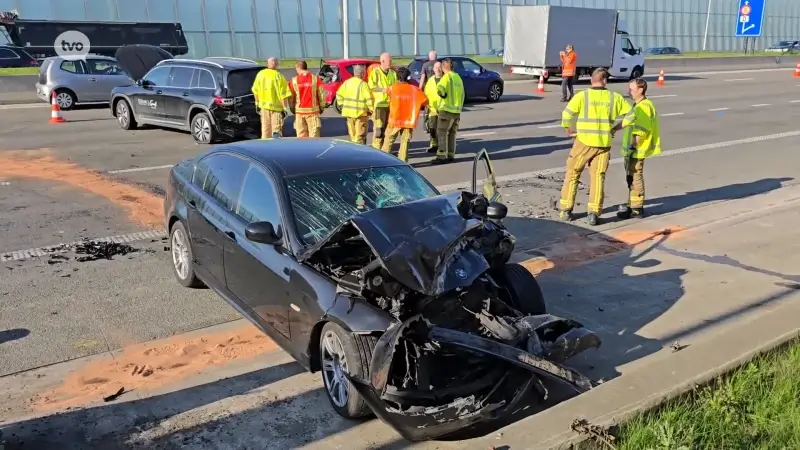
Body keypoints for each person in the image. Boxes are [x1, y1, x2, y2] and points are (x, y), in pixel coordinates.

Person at [558, 68, 636, 226]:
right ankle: (593, 213)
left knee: (573, 174)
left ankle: (566, 210)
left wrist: (568, 128)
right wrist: (615, 128)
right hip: (603, 144)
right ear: (605, 81)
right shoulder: (614, 98)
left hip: (583, 142)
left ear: (591, 80)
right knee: (598, 178)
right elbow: (632, 115)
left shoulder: (582, 96)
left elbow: (566, 115)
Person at [617, 78, 661, 220]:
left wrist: (633, 145)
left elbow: (642, 130)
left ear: (640, 90)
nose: (629, 92)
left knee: (636, 177)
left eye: (632, 89)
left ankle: (637, 208)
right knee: (631, 177)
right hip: (633, 150)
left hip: (637, 150)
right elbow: (627, 121)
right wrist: (613, 129)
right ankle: (633, 204)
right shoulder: (638, 105)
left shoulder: (644, 107)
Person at [382, 67, 428, 162]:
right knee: (404, 143)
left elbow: (386, 92)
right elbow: (425, 101)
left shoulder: (393, 87)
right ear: (408, 77)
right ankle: (402, 162)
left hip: (394, 120)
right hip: (408, 121)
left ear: (397, 77)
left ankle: (383, 162)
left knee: (388, 142)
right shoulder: (415, 90)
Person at [432, 58, 465, 164]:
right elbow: (462, 94)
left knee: (442, 132)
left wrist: (442, 94)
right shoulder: (458, 77)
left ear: (442, 68)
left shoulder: (446, 77)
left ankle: (441, 156)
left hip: (446, 110)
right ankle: (451, 155)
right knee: (452, 134)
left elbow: (440, 88)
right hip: (456, 111)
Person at [251, 57, 292, 138]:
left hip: (264, 108)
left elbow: (255, 91)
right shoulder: (278, 76)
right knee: (276, 131)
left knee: (265, 130)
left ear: (267, 64)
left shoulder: (260, 74)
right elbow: (283, 95)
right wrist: (285, 109)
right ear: (276, 64)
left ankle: (264, 148)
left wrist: (257, 104)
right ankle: (275, 148)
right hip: (276, 110)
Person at [335, 64, 373, 144]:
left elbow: (338, 94)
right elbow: (369, 99)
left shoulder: (347, 82)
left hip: (349, 114)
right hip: (360, 115)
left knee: (353, 136)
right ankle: (360, 153)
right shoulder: (363, 84)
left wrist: (342, 105)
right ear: (362, 73)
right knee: (360, 137)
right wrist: (372, 110)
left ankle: (353, 151)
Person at [367, 52, 398, 150]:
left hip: (390, 105)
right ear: (383, 61)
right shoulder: (375, 72)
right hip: (379, 105)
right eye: (389, 61)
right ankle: (376, 150)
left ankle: (384, 150)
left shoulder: (393, 73)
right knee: (379, 130)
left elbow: (396, 87)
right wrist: (384, 90)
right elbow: (371, 87)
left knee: (387, 129)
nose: (391, 62)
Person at [289, 60, 326, 138]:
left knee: (301, 137)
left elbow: (291, 97)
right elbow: (322, 94)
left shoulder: (294, 80)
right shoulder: (315, 79)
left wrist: (292, 108)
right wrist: (322, 107)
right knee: (314, 137)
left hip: (299, 113)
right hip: (313, 112)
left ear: (298, 67)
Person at [423, 61, 444, 154]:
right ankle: (434, 145)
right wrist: (426, 106)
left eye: (440, 67)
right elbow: (426, 93)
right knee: (432, 129)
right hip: (432, 109)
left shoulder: (445, 79)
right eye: (436, 67)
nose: (438, 69)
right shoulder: (430, 80)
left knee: (442, 130)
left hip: (443, 109)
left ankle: (442, 147)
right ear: (434, 69)